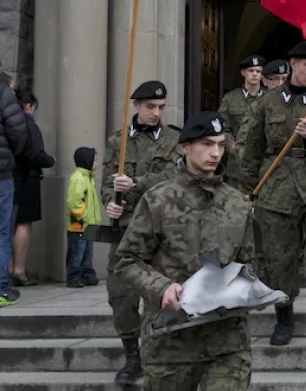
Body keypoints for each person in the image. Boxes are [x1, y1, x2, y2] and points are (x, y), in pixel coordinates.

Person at [113, 111, 254, 390]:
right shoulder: (158, 200)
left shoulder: (238, 203)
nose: (215, 153)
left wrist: (245, 285)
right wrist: (162, 287)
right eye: (206, 144)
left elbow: (249, 262)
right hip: (171, 343)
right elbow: (127, 260)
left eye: (220, 145)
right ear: (185, 147)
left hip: (226, 341)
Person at [238, 40, 306, 352]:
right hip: (277, 191)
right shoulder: (267, 103)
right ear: (292, 66)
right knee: (278, 259)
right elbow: (251, 150)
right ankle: (284, 318)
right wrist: (247, 192)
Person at [101, 80, 183, 385]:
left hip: (163, 229)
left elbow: (175, 177)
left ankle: (156, 354)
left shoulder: (175, 139)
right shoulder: (117, 142)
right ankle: (132, 357)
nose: (156, 112)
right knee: (121, 296)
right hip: (126, 230)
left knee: (159, 294)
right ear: (137, 106)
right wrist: (111, 202)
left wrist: (136, 183)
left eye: (161, 107)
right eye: (150, 107)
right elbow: (106, 184)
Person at [10, 89, 56, 286]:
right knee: (23, 225)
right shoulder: (28, 124)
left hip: (9, 177)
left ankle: (9, 268)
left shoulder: (8, 123)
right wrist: (50, 160)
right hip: (27, 178)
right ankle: (19, 270)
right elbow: (36, 153)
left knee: (8, 225)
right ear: (28, 105)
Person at [219, 55, 265, 190]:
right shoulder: (230, 98)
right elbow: (222, 126)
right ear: (243, 72)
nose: (255, 74)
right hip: (237, 163)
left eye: (258, 71)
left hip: (261, 162)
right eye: (251, 71)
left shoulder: (269, 98)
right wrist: (232, 146)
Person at [0, 77, 27, 307]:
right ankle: (1, 289)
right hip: (1, 174)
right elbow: (18, 131)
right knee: (2, 233)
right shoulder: (3, 92)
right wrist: (10, 155)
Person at [65, 147, 101, 288]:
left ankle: (87, 274)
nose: (97, 163)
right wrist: (85, 216)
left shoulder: (88, 178)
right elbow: (74, 202)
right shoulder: (78, 178)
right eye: (95, 160)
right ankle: (73, 277)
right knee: (77, 252)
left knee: (87, 251)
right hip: (79, 224)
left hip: (89, 223)